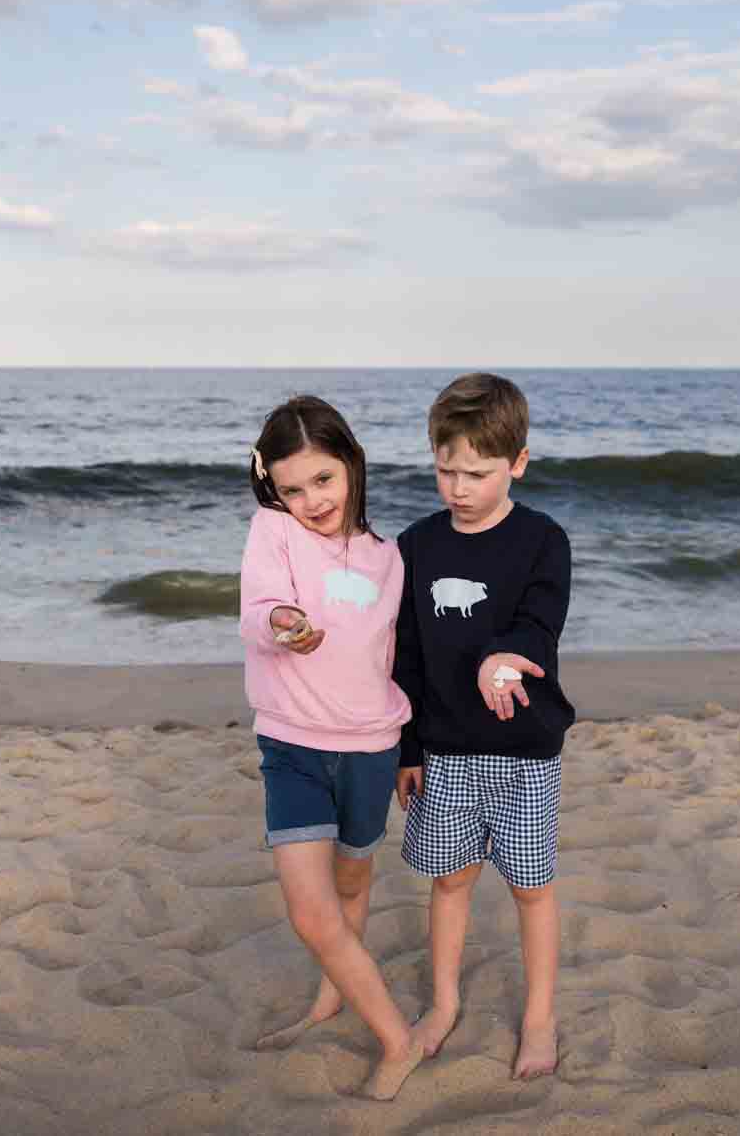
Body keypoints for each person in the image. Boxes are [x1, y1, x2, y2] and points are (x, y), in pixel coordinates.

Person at [238, 395, 425, 1100]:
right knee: (313, 912)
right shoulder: (273, 532)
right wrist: (284, 621)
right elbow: (259, 609)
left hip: (372, 746)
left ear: (350, 464)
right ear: (272, 489)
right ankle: (398, 1038)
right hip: (292, 743)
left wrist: (410, 748)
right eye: (291, 487)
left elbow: (398, 657)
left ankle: (329, 998)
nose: (310, 499)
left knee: (352, 885)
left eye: (322, 479)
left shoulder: (388, 557)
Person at [393, 372, 574, 1081]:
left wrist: (505, 654)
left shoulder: (541, 541)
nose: (458, 487)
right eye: (445, 470)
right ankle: (442, 1004)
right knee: (451, 880)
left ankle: (538, 1016)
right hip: (444, 748)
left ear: (517, 463)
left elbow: (540, 622)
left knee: (531, 887)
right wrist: (408, 747)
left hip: (524, 751)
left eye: (477, 472)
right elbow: (405, 652)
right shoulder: (417, 546)